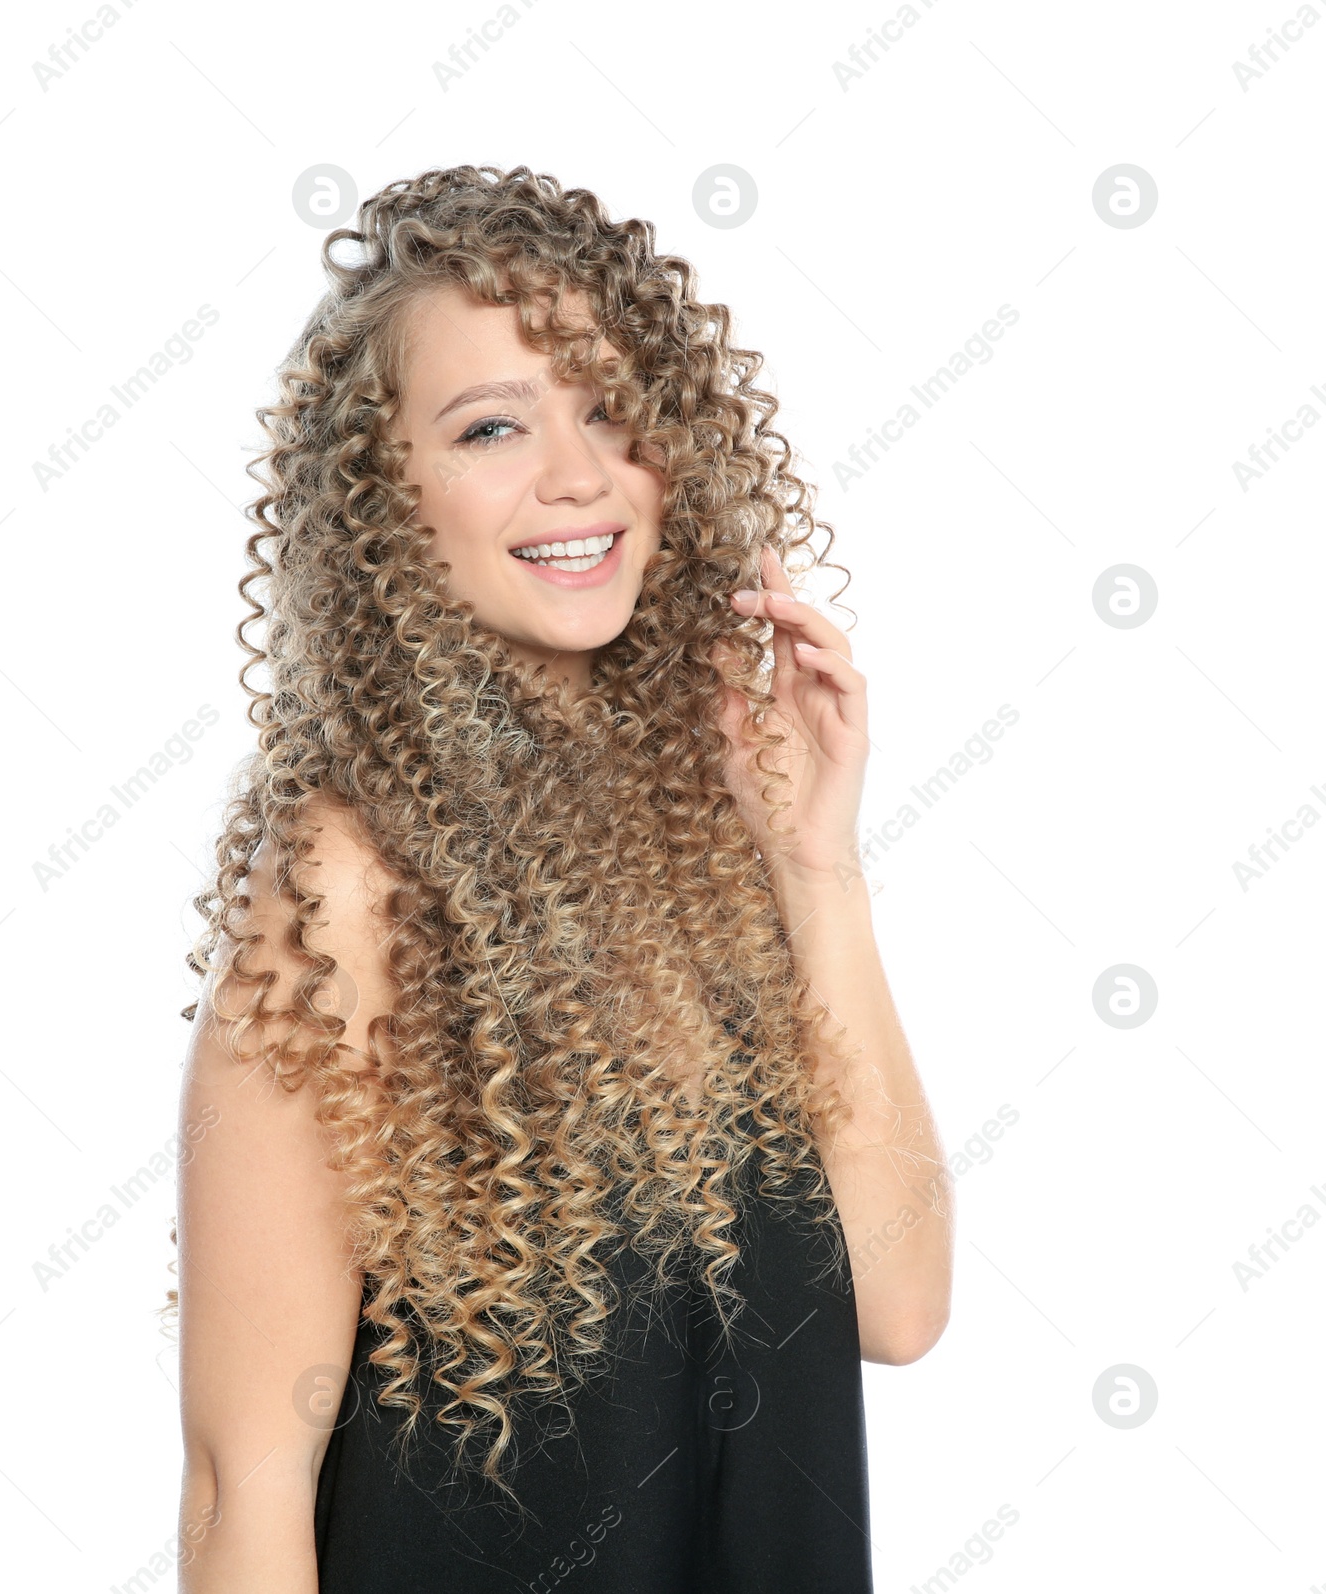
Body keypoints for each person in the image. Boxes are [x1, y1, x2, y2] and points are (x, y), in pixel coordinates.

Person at [165, 164, 953, 1593]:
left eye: (609, 411)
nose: (579, 476)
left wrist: (813, 863)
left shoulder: (718, 851)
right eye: (490, 427)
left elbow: (896, 1304)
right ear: (384, 496)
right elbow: (244, 1477)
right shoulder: (345, 889)